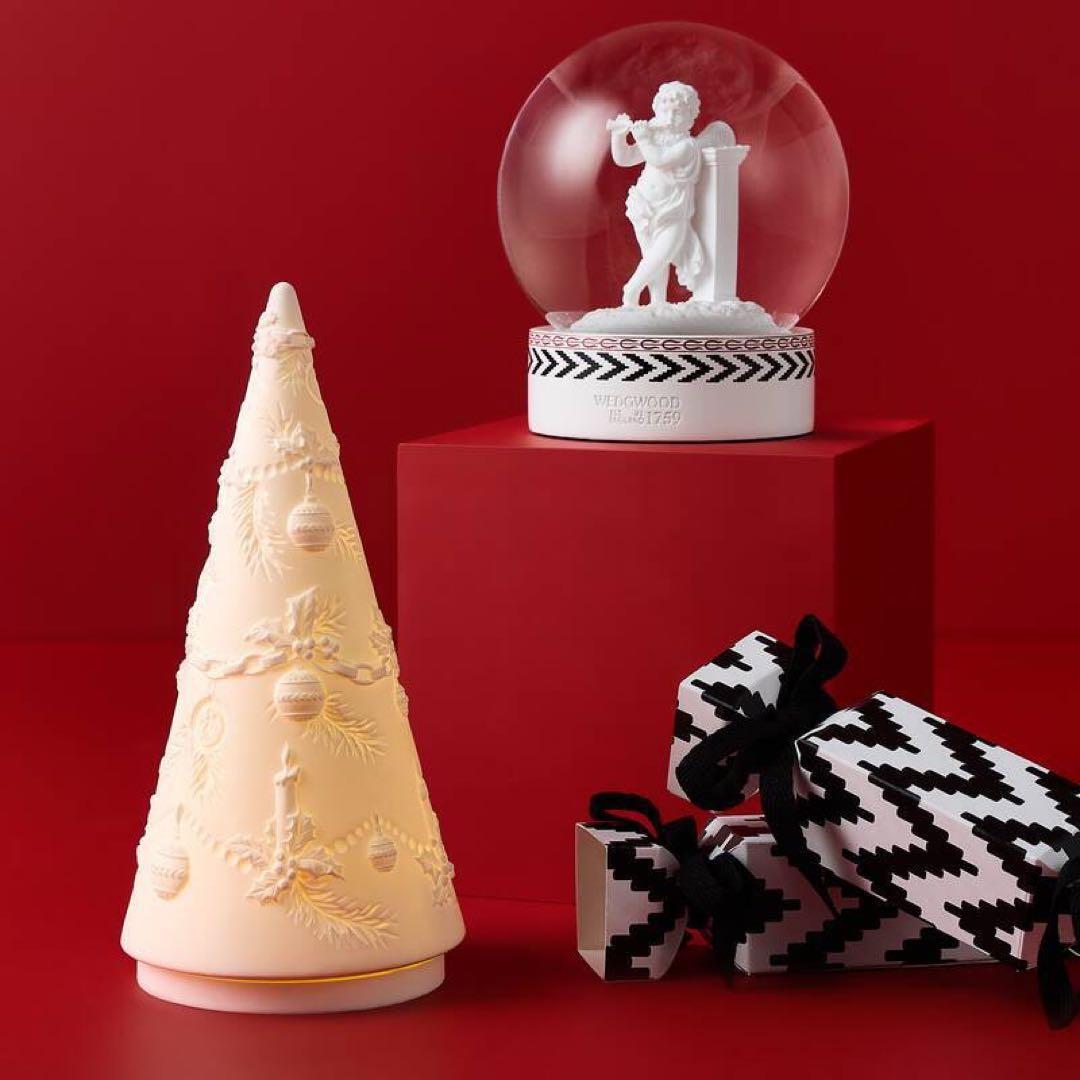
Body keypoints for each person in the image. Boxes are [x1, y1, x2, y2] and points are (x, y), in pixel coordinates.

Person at [607, 82, 704, 307]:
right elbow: (625, 159)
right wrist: (618, 135)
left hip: (672, 211)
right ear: (656, 110)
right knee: (652, 257)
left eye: (678, 113)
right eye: (665, 111)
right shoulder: (656, 139)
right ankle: (658, 302)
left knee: (660, 256)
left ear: (690, 118)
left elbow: (659, 159)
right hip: (644, 207)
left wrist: (643, 138)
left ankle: (631, 289)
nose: (670, 118)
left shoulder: (688, 145)